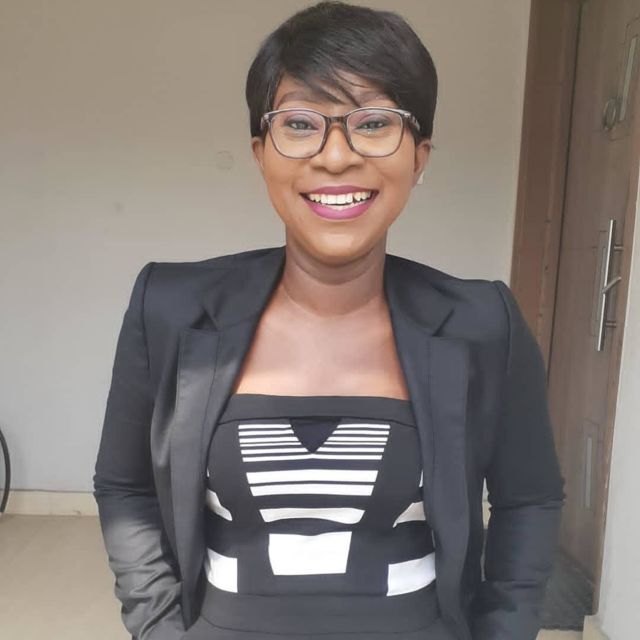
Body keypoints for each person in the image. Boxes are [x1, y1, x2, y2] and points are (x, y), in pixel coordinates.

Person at [93, 2, 566, 639]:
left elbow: (528, 499)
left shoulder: (483, 322)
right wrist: (157, 627)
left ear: (419, 156)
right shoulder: (171, 308)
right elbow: (125, 487)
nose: (336, 156)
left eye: (374, 123)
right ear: (261, 153)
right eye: (299, 124)